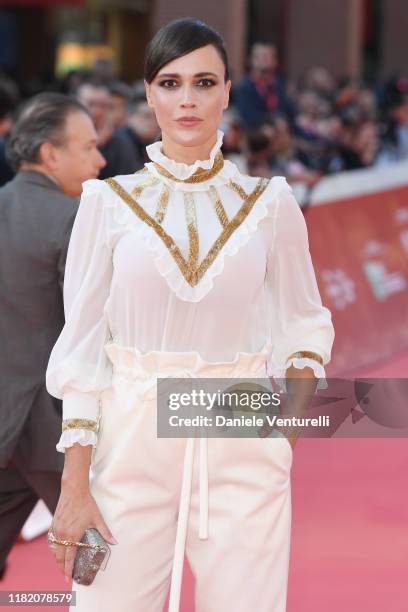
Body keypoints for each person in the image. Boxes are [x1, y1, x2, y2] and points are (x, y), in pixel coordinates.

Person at [46, 18, 335, 612]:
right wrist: (74, 487)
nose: (187, 100)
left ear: (228, 90)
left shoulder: (270, 203)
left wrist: (283, 439)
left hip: (242, 433)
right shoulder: (107, 202)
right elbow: (81, 348)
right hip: (128, 443)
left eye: (204, 82)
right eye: (171, 83)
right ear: (149, 93)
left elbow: (305, 327)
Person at [0, 92, 106, 580]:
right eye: (88, 147)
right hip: (55, 426)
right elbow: (89, 334)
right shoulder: (74, 220)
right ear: (50, 154)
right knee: (103, 567)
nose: (101, 160)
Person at [77, 82, 138, 180]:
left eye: (103, 106)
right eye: (91, 104)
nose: (97, 111)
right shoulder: (64, 136)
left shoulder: (121, 142)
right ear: (77, 103)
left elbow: (128, 183)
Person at [234, 41, 295, 129]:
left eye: (268, 56)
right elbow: (247, 118)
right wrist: (273, 121)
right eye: (260, 56)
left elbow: (291, 117)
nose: (264, 60)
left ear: (276, 61)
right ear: (251, 60)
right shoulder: (244, 88)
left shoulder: (281, 86)